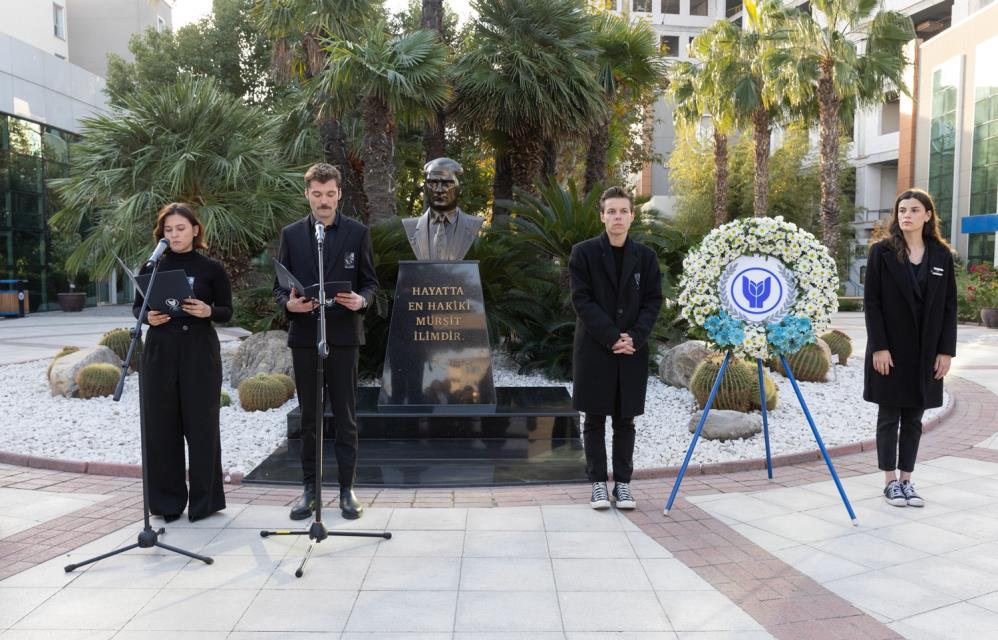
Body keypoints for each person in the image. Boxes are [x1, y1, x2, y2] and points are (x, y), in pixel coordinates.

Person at [273, 163, 378, 521]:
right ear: (307, 195)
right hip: (305, 337)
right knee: (309, 418)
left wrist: (361, 301)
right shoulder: (291, 235)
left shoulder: (357, 233)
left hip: (344, 336)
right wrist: (288, 303)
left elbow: (370, 282)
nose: (324, 201)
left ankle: (347, 490)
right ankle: (310, 491)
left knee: (346, 417)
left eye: (330, 194)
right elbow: (278, 285)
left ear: (339, 194)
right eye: (317, 194)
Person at [133, 202, 230, 523]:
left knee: (202, 427)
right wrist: (149, 317)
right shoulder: (151, 267)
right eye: (168, 230)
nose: (174, 235)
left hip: (199, 352)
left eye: (180, 228)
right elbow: (137, 309)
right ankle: (166, 503)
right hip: (159, 352)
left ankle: (205, 502)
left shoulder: (211, 269)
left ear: (195, 230)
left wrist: (208, 312)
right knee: (161, 428)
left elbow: (228, 311)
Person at [569, 186, 663, 511]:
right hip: (595, 349)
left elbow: (653, 301)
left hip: (632, 352)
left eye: (623, 211)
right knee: (593, 419)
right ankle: (597, 483)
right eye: (611, 211)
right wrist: (612, 337)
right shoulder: (583, 254)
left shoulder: (646, 258)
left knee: (626, 421)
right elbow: (582, 299)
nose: (617, 217)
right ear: (602, 216)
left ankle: (622, 485)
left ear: (632, 216)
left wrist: (633, 338)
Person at [864, 188, 957, 508]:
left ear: (928, 216)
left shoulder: (941, 256)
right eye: (902, 210)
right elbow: (872, 304)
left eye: (914, 210)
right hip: (890, 351)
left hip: (926, 353)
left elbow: (948, 307)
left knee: (914, 419)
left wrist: (946, 351)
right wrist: (879, 347)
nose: (906, 215)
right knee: (889, 416)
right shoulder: (882, 252)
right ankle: (890, 482)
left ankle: (907, 480)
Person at [401, 157, 484, 261]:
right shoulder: (410, 226)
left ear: (459, 188)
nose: (439, 190)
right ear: (425, 188)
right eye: (433, 183)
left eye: (447, 183)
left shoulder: (473, 224)